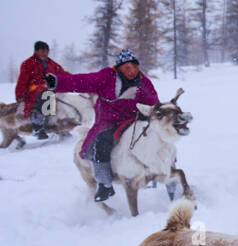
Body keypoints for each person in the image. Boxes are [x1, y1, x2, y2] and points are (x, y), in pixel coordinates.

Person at [47, 49, 159, 201]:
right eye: (126, 68)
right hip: (108, 122)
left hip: (134, 121)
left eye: (134, 66)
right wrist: (58, 82)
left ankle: (169, 172)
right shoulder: (106, 77)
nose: (131, 71)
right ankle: (104, 184)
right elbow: (83, 81)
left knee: (158, 138)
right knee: (101, 143)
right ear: (118, 69)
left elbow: (154, 104)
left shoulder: (144, 82)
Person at [15, 41, 67, 140]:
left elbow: (63, 75)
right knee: (46, 96)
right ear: (36, 51)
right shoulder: (28, 63)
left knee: (61, 100)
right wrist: (20, 95)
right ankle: (37, 128)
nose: (44, 53)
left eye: (46, 51)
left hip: (50, 89)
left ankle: (58, 125)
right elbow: (22, 80)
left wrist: (75, 80)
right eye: (42, 51)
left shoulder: (53, 64)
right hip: (34, 91)